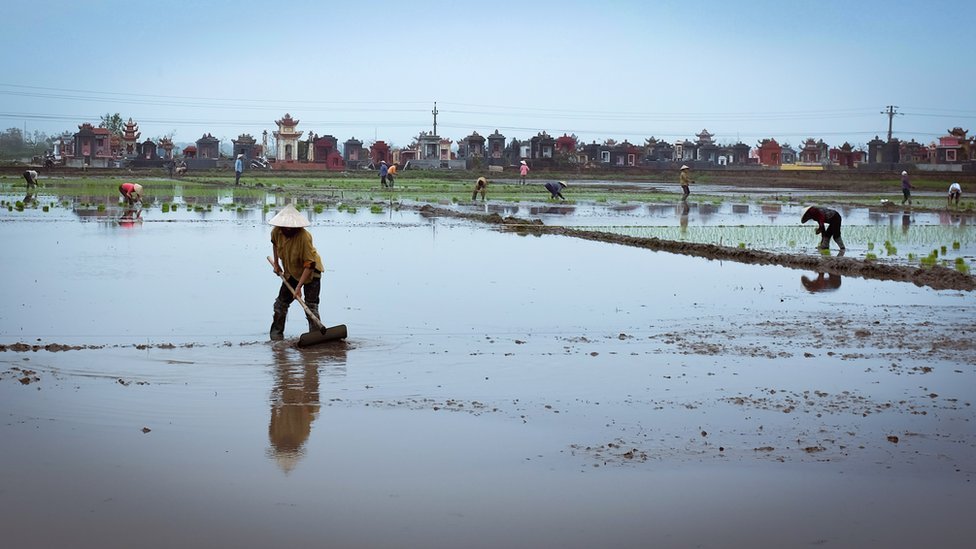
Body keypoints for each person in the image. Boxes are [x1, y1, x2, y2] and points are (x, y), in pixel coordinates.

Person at [269, 204, 324, 341]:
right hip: (291, 272)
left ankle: (316, 337)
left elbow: (310, 264)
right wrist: (276, 264)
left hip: (311, 272)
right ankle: (276, 336)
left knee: (310, 307)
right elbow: (275, 244)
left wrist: (298, 287)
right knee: (280, 305)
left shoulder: (304, 237)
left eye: (291, 226)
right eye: (285, 226)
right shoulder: (276, 232)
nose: (288, 228)